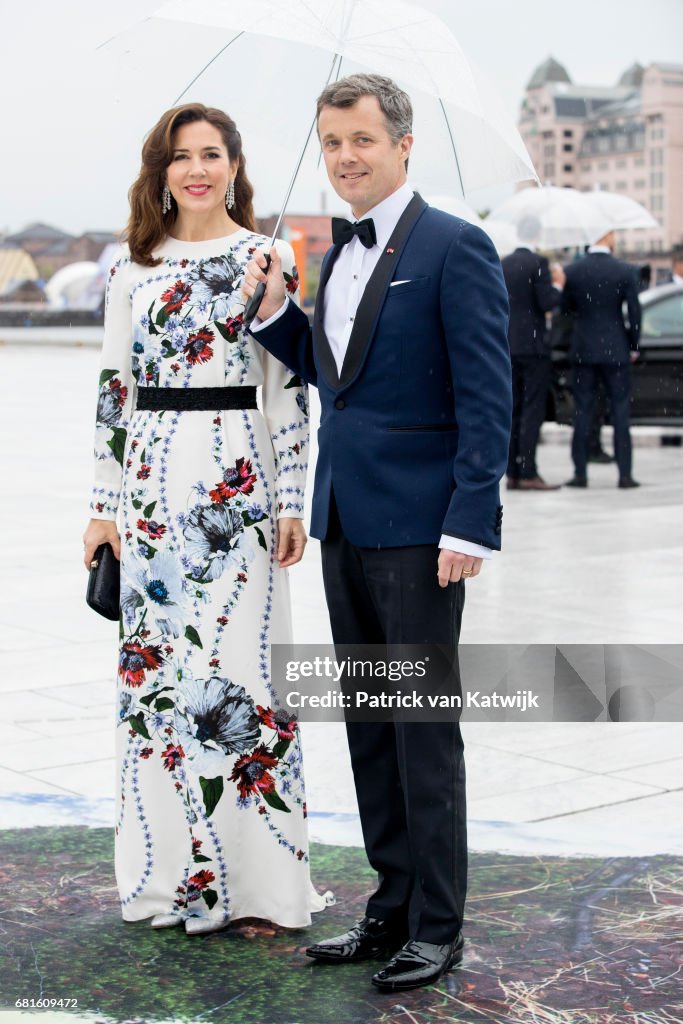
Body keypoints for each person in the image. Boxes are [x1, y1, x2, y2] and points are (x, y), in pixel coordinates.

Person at [244, 74, 511, 991]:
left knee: (422, 728)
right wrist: (280, 310)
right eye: (330, 143)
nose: (345, 157)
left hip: (421, 528)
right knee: (367, 723)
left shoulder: (455, 245)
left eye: (360, 140)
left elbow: (486, 398)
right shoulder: (335, 251)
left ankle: (438, 925)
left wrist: (470, 521)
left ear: (401, 145)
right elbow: (336, 377)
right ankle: (389, 906)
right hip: (344, 521)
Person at [82, 103, 324, 935]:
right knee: (160, 685)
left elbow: (289, 390)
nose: (196, 169)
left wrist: (291, 498)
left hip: (237, 489)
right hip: (150, 489)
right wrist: (102, 509)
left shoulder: (268, 257)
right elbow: (115, 393)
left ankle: (258, 885)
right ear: (161, 172)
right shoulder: (131, 269)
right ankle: (168, 877)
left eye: (211, 154)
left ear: (234, 165)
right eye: (181, 157)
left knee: (243, 681)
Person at [562, 230, 641, 488]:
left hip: (584, 348)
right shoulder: (625, 270)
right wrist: (633, 344)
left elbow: (565, 310)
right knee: (620, 412)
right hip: (616, 348)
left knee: (583, 411)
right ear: (607, 237)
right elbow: (634, 311)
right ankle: (625, 474)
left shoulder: (573, 271)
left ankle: (580, 472)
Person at [502, 217, 563, 490]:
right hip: (534, 347)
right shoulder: (538, 263)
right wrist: (559, 285)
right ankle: (528, 471)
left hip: (508, 345)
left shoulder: (504, 263)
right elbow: (546, 302)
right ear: (537, 234)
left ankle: (513, 472)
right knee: (532, 409)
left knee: (512, 411)